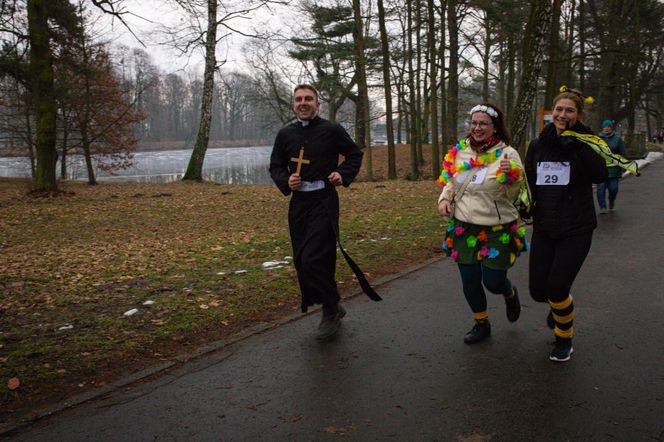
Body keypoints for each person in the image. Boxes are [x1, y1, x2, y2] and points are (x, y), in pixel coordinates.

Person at [269, 84, 380, 341]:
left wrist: (341, 174)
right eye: (298, 100)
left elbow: (354, 154)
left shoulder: (331, 130)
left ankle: (330, 310)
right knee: (301, 261)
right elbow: (275, 166)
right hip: (298, 204)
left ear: (317, 104)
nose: (303, 103)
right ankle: (332, 305)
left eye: (308, 99)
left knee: (315, 258)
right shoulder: (285, 134)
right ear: (293, 105)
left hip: (323, 201)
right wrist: (287, 181)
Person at [524, 86, 608, 362]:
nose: (562, 114)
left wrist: (579, 146)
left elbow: (601, 174)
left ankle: (564, 339)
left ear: (579, 115)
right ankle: (560, 307)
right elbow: (530, 182)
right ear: (552, 112)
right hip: (546, 226)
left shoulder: (590, 141)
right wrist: (524, 206)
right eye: (558, 109)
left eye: (569, 110)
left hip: (577, 228)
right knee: (538, 291)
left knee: (557, 288)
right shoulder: (539, 144)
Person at [437, 103, 527, 345]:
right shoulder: (459, 152)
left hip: (497, 228)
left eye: (483, 123)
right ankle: (481, 322)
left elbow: (513, 197)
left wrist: (510, 178)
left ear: (494, 127)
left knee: (493, 282)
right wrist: (444, 198)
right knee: (469, 280)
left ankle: (509, 293)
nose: (477, 128)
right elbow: (452, 182)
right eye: (474, 123)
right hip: (464, 226)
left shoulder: (508, 154)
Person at [596, 119, 627, 213]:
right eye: (605, 127)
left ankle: (611, 200)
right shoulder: (597, 138)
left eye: (608, 126)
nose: (606, 128)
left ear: (611, 128)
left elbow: (623, 153)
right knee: (600, 188)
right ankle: (602, 207)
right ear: (602, 128)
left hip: (614, 169)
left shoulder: (617, 139)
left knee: (613, 188)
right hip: (601, 168)